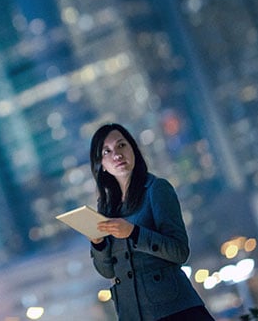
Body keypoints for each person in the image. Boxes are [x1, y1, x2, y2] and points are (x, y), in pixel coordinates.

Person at [89, 123, 215, 321]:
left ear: (134, 150)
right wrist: (99, 244)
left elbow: (180, 252)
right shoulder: (105, 207)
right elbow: (108, 271)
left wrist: (133, 232)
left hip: (174, 309)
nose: (117, 155)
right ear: (101, 165)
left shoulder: (156, 189)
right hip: (132, 314)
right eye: (107, 151)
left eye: (122, 146)